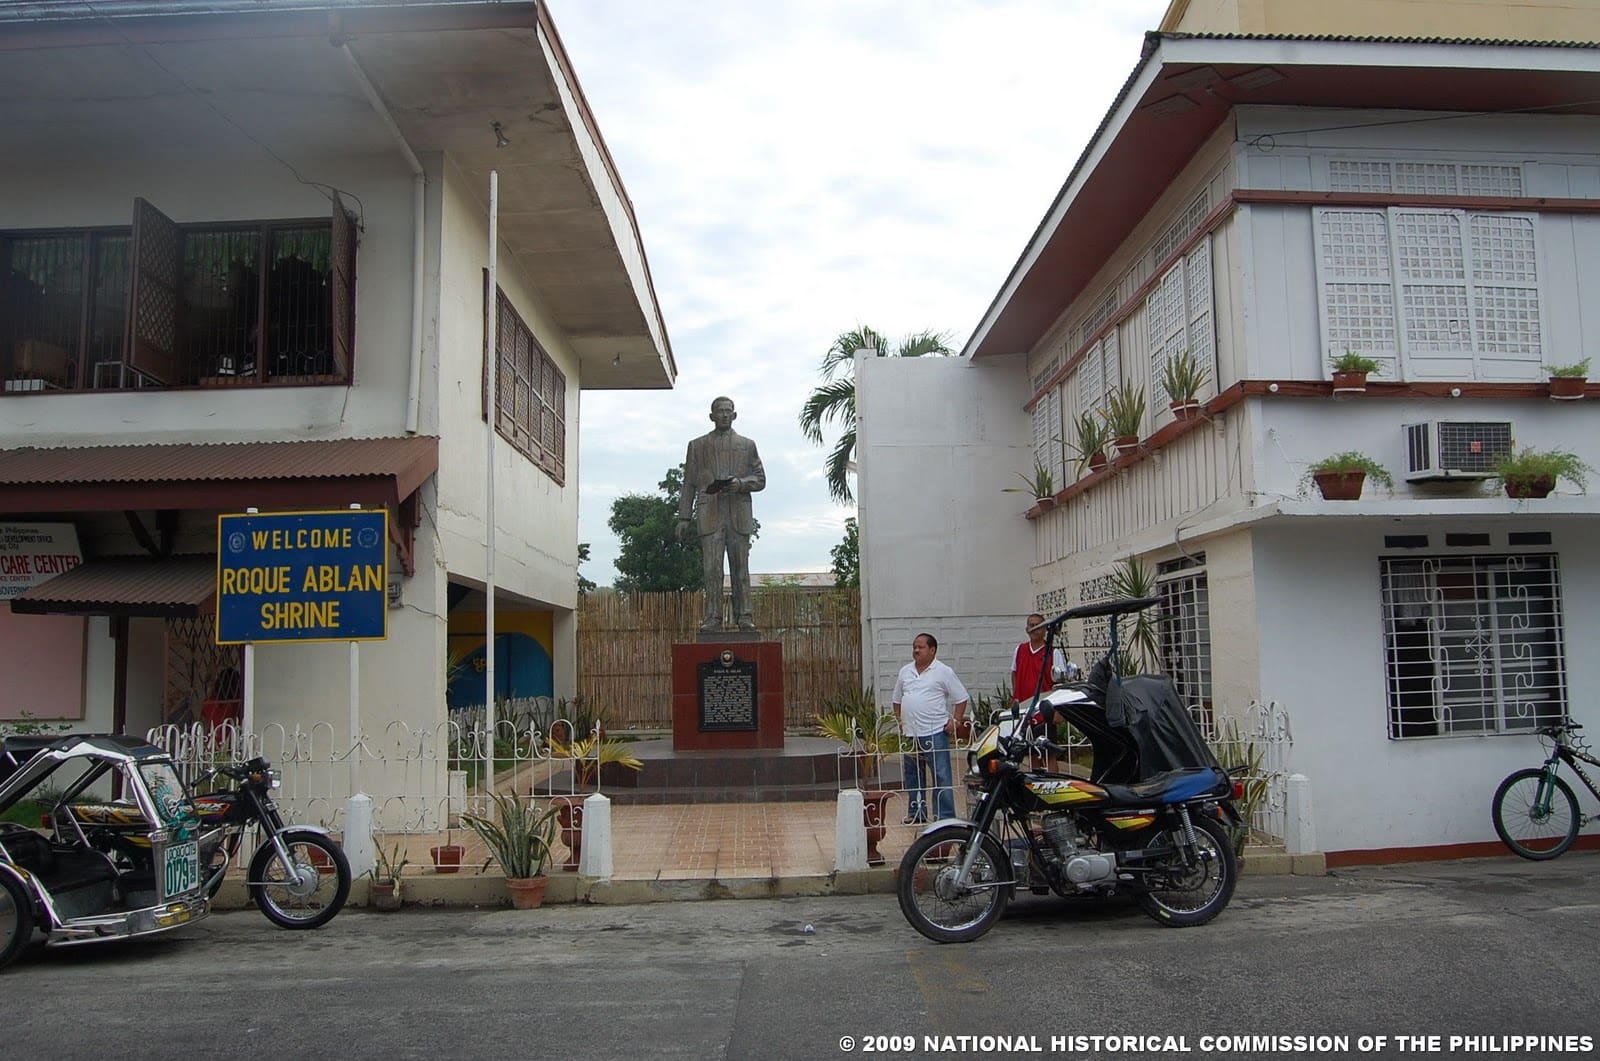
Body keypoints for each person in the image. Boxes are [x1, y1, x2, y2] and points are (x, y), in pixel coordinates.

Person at [675, 396, 766, 632]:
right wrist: (684, 516)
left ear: (734, 415)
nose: (724, 415)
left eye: (728, 411)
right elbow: (689, 483)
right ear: (711, 416)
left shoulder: (748, 445)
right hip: (710, 514)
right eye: (720, 411)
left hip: (738, 514)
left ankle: (744, 616)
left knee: (740, 569)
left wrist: (741, 483)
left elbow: (760, 479)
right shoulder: (697, 446)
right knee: (712, 570)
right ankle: (713, 618)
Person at [892, 632, 970, 824]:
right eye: (914, 647)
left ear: (932, 650)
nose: (916, 650)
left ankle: (944, 817)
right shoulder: (905, 671)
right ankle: (917, 813)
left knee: (941, 775)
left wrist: (956, 721)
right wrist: (901, 722)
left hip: (935, 732)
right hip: (911, 733)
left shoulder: (943, 671)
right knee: (912, 775)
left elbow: (961, 698)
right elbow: (897, 700)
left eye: (921, 647)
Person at [1011, 613, 1069, 709]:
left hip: (1043, 709)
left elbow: (1060, 684)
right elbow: (1014, 673)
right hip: (1022, 708)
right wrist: (1015, 695)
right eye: (1031, 625)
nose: (1034, 629)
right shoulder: (1019, 649)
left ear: (1045, 629)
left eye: (1038, 626)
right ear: (1027, 629)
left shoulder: (1053, 653)